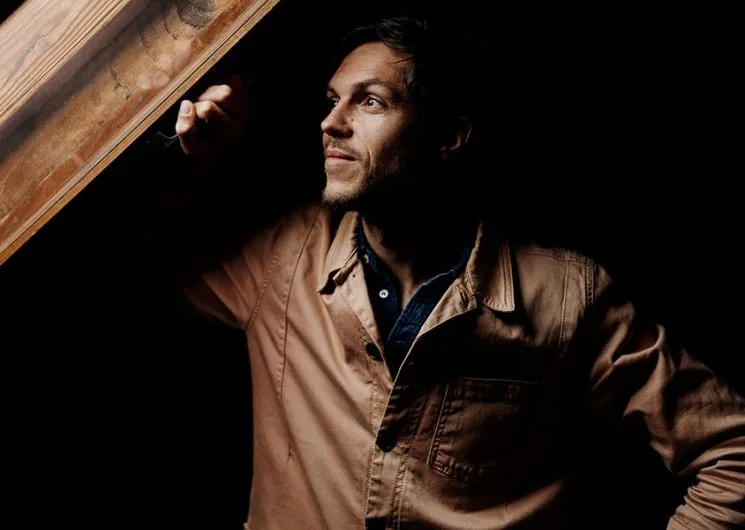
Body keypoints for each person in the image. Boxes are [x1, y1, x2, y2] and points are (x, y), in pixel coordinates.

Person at [171, 14, 745, 530]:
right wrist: (185, 161)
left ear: (448, 137)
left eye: (370, 102)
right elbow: (127, 267)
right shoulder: (282, 255)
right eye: (332, 100)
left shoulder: (567, 296)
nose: (330, 123)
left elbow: (733, 455)